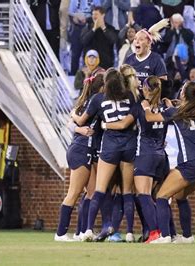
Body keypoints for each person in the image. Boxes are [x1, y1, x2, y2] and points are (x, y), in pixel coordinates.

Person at [141, 82, 195, 244]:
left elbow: (150, 118)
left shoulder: (176, 112)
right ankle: (187, 237)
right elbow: (183, 111)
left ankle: (165, 236)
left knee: (161, 196)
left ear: (182, 95)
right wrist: (171, 106)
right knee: (181, 196)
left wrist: (146, 106)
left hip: (192, 162)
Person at [72, 68, 137, 242]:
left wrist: (72, 113)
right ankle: (130, 232)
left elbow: (80, 120)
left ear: (106, 83)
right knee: (127, 192)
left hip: (110, 147)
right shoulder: (130, 96)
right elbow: (132, 120)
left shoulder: (98, 99)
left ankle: (87, 230)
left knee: (99, 190)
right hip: (129, 146)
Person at [102, 76, 169, 243]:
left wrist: (105, 125)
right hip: (162, 156)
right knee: (159, 197)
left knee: (143, 195)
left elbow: (123, 124)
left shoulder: (141, 107)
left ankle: (155, 233)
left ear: (146, 90)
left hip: (145, 154)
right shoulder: (166, 107)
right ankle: (167, 233)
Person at [54, 69, 104, 241]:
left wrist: (76, 125)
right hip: (81, 149)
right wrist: (78, 127)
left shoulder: (87, 102)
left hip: (85, 149)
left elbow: (72, 118)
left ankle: (81, 232)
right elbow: (74, 120)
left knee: (91, 193)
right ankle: (60, 233)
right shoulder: (97, 100)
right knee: (74, 193)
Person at [124, 19, 169, 88]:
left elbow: (164, 84)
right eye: (135, 39)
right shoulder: (129, 60)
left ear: (148, 43)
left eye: (141, 39)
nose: (137, 42)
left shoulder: (157, 59)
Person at [68, 0, 102, 75]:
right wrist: (75, 18)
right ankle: (73, 76)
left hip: (90, 28)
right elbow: (70, 12)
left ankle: (90, 76)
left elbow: (99, 12)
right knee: (75, 54)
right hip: (77, 27)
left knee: (89, 54)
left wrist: (87, 19)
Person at [81, 6, 118, 71]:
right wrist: (94, 29)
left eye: (96, 14)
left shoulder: (110, 28)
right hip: (90, 64)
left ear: (103, 15)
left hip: (106, 64)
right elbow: (84, 41)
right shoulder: (87, 28)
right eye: (93, 14)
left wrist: (104, 28)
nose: (94, 16)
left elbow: (114, 40)